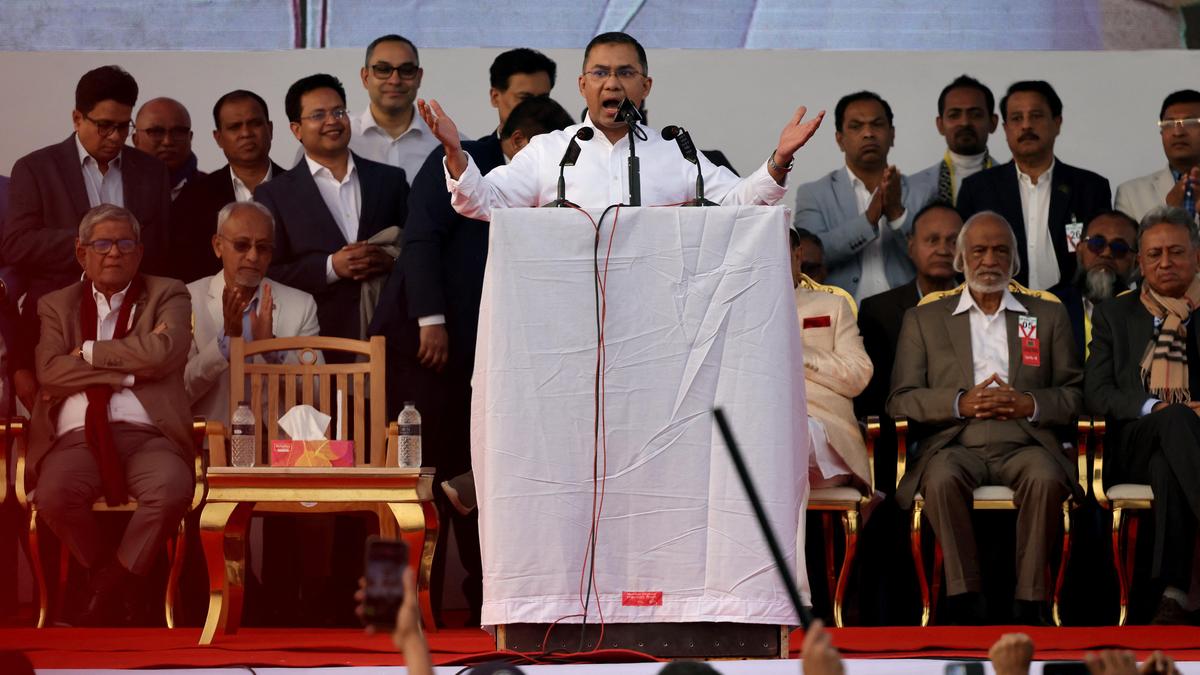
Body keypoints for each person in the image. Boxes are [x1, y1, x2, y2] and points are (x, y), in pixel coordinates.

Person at [372, 94, 573, 627]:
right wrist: (430, 320)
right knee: (418, 482)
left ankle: (485, 610)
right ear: (519, 143)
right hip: (425, 350)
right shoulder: (457, 161)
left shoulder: (557, 177)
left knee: (481, 479)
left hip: (490, 356)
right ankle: (403, 614)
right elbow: (420, 241)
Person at [888, 211, 1082, 625]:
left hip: (1025, 442)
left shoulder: (1047, 315)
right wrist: (961, 403)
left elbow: (1073, 394)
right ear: (960, 259)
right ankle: (964, 598)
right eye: (979, 250)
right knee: (940, 478)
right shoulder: (924, 320)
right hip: (957, 442)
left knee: (1046, 478)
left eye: (1000, 251)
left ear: (1015, 261)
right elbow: (900, 400)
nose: (989, 260)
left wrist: (1028, 403)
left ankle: (1031, 602)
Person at [418, 31, 824, 215]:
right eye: (599, 73)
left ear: (645, 86)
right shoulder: (550, 151)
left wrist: (779, 159)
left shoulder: (673, 151)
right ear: (582, 85)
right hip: (567, 316)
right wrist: (456, 152)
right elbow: (482, 201)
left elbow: (739, 203)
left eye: (625, 73)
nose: (611, 82)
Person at [28, 204, 193, 625]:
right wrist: (132, 373)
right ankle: (119, 578)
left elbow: (166, 354)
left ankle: (106, 585)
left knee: (173, 488)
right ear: (81, 252)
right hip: (76, 436)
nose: (114, 253)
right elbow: (49, 373)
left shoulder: (168, 293)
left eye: (124, 243)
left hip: (148, 434)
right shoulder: (56, 305)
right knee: (53, 496)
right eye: (102, 244)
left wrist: (87, 352)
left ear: (139, 252)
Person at [3, 65, 171, 412]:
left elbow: (159, 250)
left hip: (133, 324)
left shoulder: (152, 172)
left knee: (131, 425)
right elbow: (16, 244)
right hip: (56, 328)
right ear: (77, 118)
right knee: (53, 438)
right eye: (104, 125)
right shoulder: (36, 168)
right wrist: (95, 247)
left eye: (123, 126)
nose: (114, 136)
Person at [1085, 206, 1200, 625]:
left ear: (1197, 256)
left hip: (1189, 444)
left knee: (1166, 463)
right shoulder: (1115, 314)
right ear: (1140, 262)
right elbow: (1096, 393)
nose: (1165, 262)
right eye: (1154, 254)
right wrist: (1157, 407)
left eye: (1176, 252)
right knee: (1173, 419)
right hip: (1132, 439)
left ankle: (1172, 594)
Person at [255, 73, 408, 355]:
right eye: (318, 115)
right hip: (317, 343)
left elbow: (417, 248)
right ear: (296, 129)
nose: (332, 121)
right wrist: (330, 267)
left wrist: (389, 260)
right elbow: (269, 272)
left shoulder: (390, 181)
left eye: (339, 111)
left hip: (392, 335)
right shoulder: (274, 195)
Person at [957, 80, 1111, 291]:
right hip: (1000, 307)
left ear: (1057, 123)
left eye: (1036, 116)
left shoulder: (1090, 187)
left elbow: (1102, 255)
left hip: (1070, 310)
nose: (1026, 125)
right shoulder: (978, 189)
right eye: (1016, 118)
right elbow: (963, 259)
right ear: (1005, 129)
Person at [185, 201, 320, 422]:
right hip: (216, 442)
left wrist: (272, 350)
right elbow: (179, 391)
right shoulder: (187, 299)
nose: (253, 256)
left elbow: (317, 394)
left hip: (281, 446)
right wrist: (225, 344)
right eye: (241, 245)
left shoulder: (301, 305)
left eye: (263, 247)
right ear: (218, 246)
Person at [793, 91, 935, 301]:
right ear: (839, 140)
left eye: (877, 124)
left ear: (892, 134)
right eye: (856, 126)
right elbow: (810, 258)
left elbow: (936, 258)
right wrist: (868, 220)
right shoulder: (813, 194)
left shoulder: (922, 191)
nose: (868, 133)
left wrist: (896, 214)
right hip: (840, 311)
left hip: (908, 312)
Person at [857, 202, 962, 422]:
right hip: (904, 433)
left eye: (953, 241)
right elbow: (873, 399)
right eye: (932, 240)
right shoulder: (878, 311)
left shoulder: (985, 306)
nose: (943, 250)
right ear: (911, 246)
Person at [172, 90, 284, 283]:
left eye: (255, 123)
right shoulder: (194, 198)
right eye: (234, 127)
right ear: (218, 138)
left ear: (270, 129)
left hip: (291, 307)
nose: (246, 133)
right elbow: (185, 266)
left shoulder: (301, 189)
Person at [794, 267, 872, 492]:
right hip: (758, 429)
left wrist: (799, 354)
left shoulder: (831, 305)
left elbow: (858, 374)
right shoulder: (739, 311)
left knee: (784, 434)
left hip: (825, 431)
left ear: (796, 255)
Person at [339, 34, 442, 184]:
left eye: (406, 70)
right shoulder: (340, 139)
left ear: (419, 77)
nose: (395, 80)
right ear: (365, 77)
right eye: (383, 69)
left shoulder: (447, 143)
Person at [1047, 210, 1139, 359]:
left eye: (1119, 247)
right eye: (1097, 243)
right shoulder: (1049, 305)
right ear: (1079, 249)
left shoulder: (1148, 312)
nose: (1106, 253)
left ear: (1136, 261)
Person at [912, 75, 999, 207]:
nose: (965, 123)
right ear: (940, 125)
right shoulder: (914, 187)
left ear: (993, 123)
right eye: (954, 115)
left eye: (975, 115)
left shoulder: (1014, 182)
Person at [1115, 90, 1200, 223]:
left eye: (1189, 122)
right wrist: (1170, 212)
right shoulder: (1130, 194)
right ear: (1161, 133)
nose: (1177, 132)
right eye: (1169, 124)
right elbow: (1128, 244)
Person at [132, 97, 204, 199]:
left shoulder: (216, 191)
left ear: (190, 137)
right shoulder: (117, 188)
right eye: (156, 132)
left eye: (178, 132)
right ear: (136, 139)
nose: (168, 141)